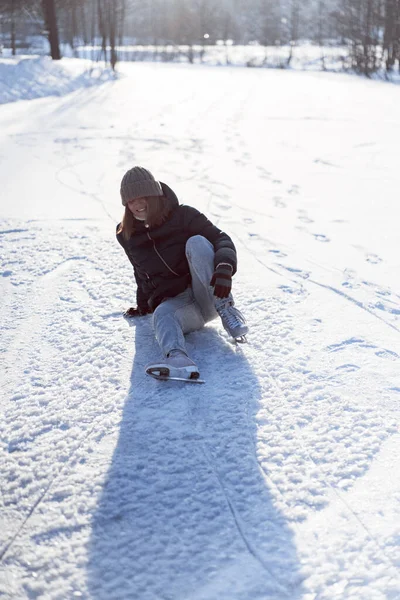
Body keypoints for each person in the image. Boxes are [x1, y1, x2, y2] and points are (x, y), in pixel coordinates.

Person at [116, 166, 248, 380]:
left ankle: (227, 310)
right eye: (131, 201)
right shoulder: (126, 234)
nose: (137, 205)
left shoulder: (184, 215)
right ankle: (177, 359)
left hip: (207, 293)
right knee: (161, 313)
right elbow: (139, 271)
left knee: (197, 243)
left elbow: (221, 238)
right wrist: (142, 305)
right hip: (183, 307)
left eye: (143, 198)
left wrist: (225, 267)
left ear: (155, 195)